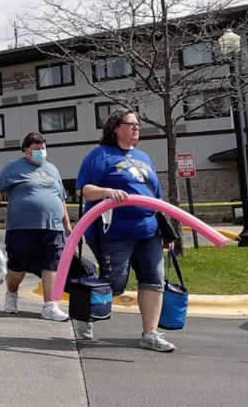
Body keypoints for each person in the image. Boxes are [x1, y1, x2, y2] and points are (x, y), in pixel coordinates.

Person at [75, 109, 175, 352]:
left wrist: (167, 232)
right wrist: (108, 192)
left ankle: (150, 334)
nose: (136, 128)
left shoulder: (144, 157)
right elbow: (84, 190)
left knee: (154, 280)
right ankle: (84, 314)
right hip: (114, 232)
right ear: (115, 128)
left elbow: (156, 198)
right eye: (130, 124)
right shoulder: (99, 156)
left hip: (149, 231)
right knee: (114, 284)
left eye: (137, 124)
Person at [0, 132, 71, 321]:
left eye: (43, 148)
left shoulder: (53, 169)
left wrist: (67, 224)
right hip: (22, 226)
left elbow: (61, 197)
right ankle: (12, 294)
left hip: (53, 226)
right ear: (26, 150)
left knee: (51, 264)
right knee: (17, 265)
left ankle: (50, 305)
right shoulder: (13, 167)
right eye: (36, 149)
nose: (41, 152)